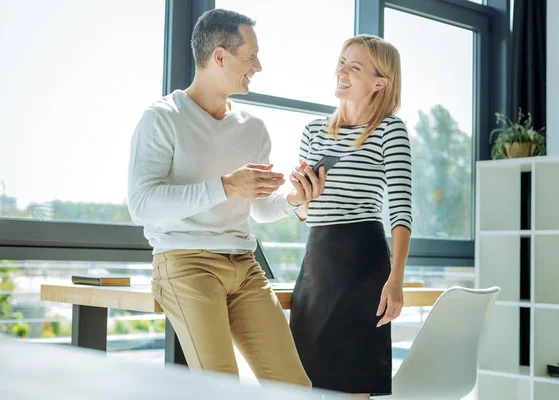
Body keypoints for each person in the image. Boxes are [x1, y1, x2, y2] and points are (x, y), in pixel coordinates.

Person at [127, 9, 326, 387]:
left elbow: (259, 209)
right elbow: (143, 203)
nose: (259, 66)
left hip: (245, 268)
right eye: (251, 56)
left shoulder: (253, 128)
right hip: (186, 264)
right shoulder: (162, 119)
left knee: (295, 389)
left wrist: (296, 201)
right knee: (220, 389)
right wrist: (226, 186)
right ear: (220, 56)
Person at [289, 34, 412, 397]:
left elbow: (401, 211)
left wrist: (396, 280)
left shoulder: (391, 130)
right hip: (317, 261)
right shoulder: (312, 131)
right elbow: (303, 211)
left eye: (354, 66)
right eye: (342, 62)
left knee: (353, 385)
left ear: (379, 82)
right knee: (304, 383)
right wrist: (301, 199)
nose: (341, 71)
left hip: (363, 264)